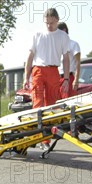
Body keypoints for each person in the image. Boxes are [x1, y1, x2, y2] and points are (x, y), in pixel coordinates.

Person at [24, 8, 70, 150]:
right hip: (38, 70)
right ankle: (35, 136)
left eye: (52, 23)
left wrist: (67, 79)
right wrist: (27, 77)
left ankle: (46, 141)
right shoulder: (37, 34)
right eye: (46, 23)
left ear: (57, 20)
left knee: (51, 106)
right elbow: (30, 57)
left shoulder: (63, 36)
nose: (49, 26)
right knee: (37, 103)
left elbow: (66, 59)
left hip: (54, 71)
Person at [57, 22, 81, 98]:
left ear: (64, 31)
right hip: (57, 78)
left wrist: (76, 80)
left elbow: (78, 63)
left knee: (67, 103)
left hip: (69, 78)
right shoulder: (57, 46)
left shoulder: (73, 44)